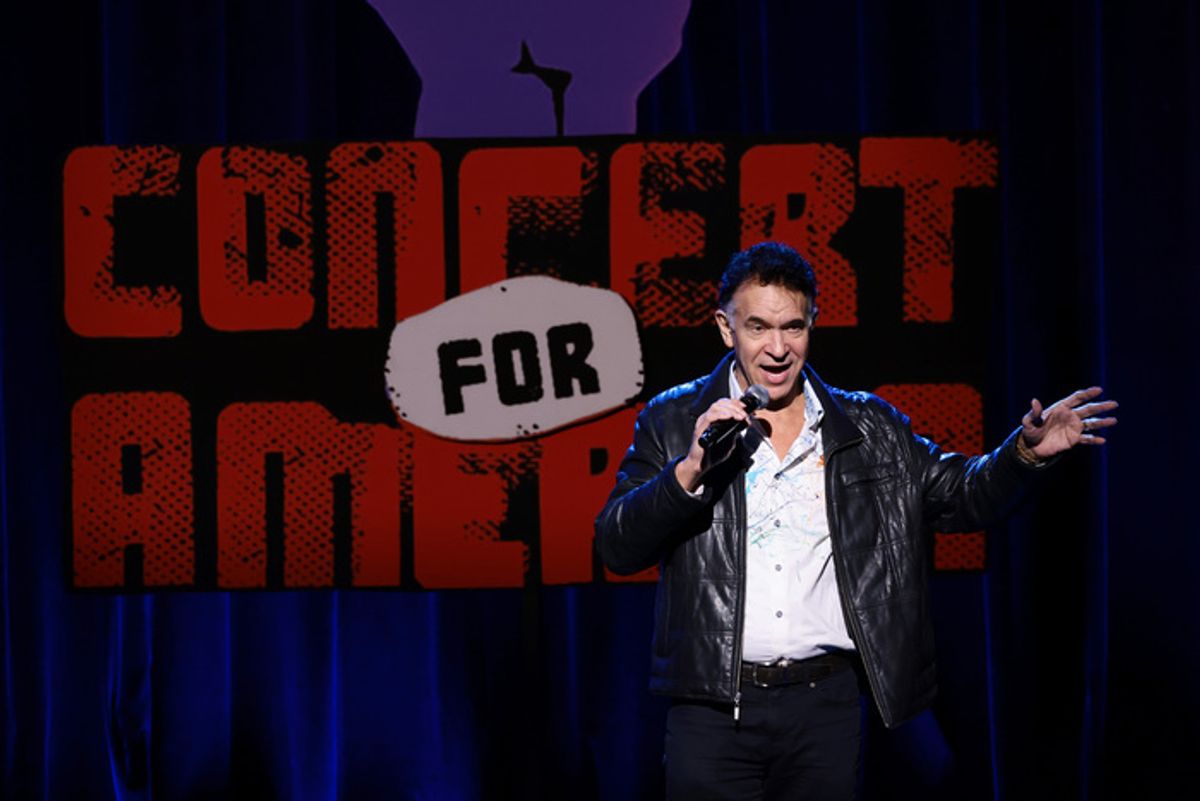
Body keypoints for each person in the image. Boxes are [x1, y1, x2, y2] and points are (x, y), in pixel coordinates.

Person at [594, 242, 1117, 800]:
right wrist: (691, 468)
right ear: (726, 328)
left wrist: (1024, 455)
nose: (776, 349)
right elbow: (618, 545)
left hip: (825, 706)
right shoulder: (674, 420)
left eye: (792, 327)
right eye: (758, 328)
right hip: (713, 707)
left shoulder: (871, 428)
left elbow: (963, 495)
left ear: (813, 323)